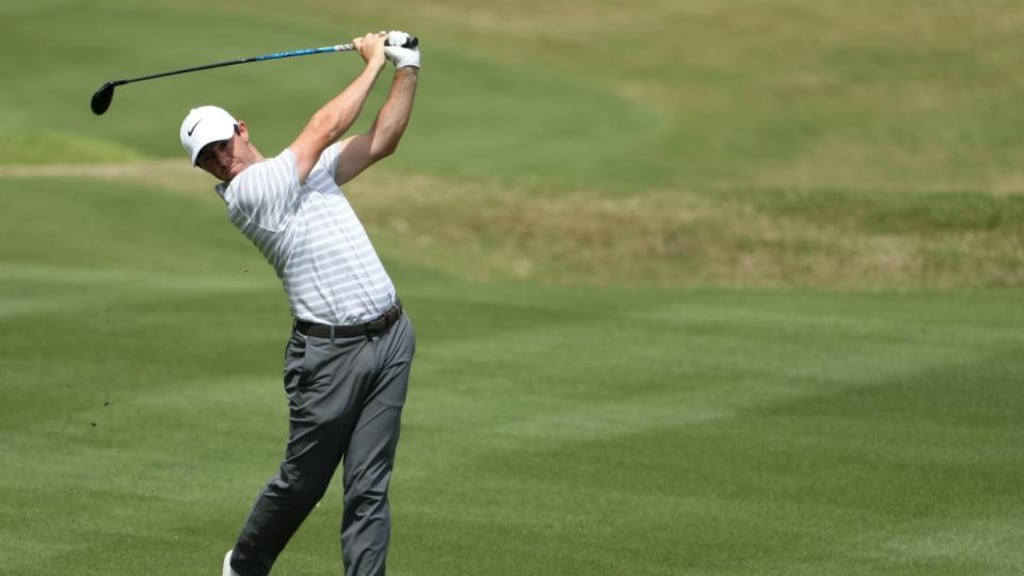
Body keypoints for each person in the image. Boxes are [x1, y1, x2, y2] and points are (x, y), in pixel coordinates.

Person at [178, 31, 420, 576]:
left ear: (242, 129)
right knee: (303, 482)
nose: (221, 161)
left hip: (391, 339)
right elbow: (323, 127)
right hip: (329, 358)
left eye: (222, 145)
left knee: (368, 486)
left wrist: (408, 67)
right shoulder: (250, 194)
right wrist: (374, 63)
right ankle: (244, 565)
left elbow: (381, 140)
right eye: (207, 160)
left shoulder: (307, 175)